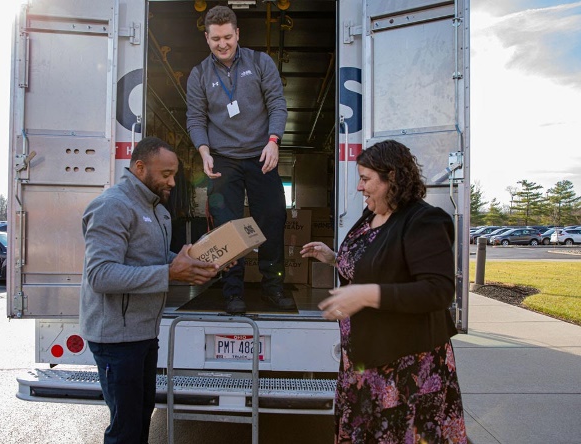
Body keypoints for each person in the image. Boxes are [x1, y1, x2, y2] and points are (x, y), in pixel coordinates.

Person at [301, 140, 467, 443]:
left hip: (407, 366)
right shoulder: (372, 215)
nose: (359, 188)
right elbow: (377, 263)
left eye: (365, 179)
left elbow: (438, 290)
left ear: (392, 177)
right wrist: (334, 258)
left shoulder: (423, 220)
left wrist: (366, 295)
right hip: (364, 358)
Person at [79, 136, 220, 443]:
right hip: (116, 338)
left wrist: (194, 263)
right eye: (166, 174)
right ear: (140, 167)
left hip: (144, 333)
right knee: (125, 429)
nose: (172, 182)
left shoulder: (158, 209)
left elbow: (153, 260)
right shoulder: (112, 206)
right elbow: (100, 275)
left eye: (174, 175)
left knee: (141, 416)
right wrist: (171, 272)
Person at [186, 5, 293, 314]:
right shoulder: (199, 75)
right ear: (207, 37)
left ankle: (273, 285)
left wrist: (274, 141)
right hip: (223, 159)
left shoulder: (260, 63)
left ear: (238, 34)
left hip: (261, 155)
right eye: (216, 38)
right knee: (227, 228)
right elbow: (195, 119)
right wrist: (204, 151)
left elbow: (277, 104)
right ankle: (233, 292)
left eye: (228, 37)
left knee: (273, 218)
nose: (223, 44)